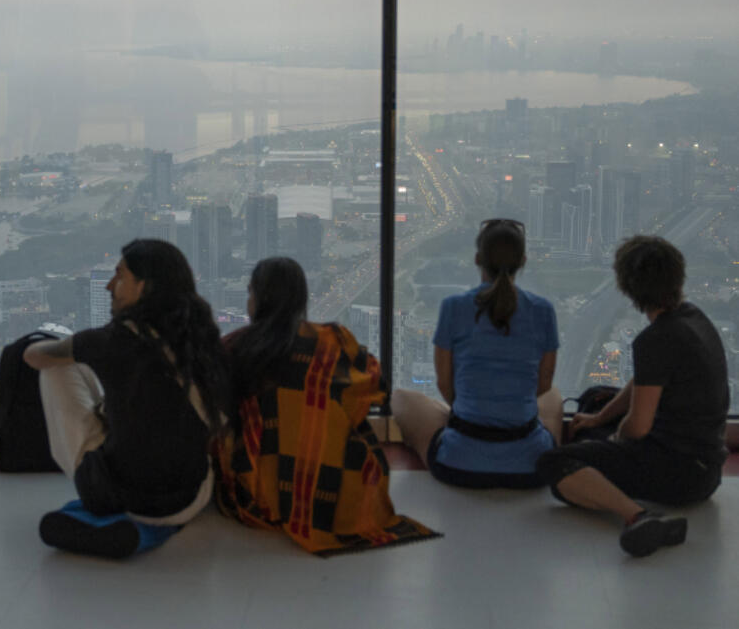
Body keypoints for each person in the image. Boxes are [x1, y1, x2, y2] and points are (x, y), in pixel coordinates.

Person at [215, 258, 439, 554]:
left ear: (258, 299)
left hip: (255, 499)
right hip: (340, 493)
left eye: (250, 293)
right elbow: (375, 390)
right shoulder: (335, 341)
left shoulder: (233, 347)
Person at [23, 239, 226, 558]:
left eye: (119, 276)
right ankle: (142, 531)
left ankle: (119, 526)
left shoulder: (109, 342)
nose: (109, 286)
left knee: (55, 371)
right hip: (191, 497)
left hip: (122, 497)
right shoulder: (204, 340)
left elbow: (33, 357)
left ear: (143, 286)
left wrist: (65, 348)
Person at [537, 236, 730, 557]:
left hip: (678, 475)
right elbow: (645, 381)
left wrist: (614, 439)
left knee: (553, 463)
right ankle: (606, 457)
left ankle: (639, 516)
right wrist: (601, 418)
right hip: (706, 467)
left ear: (629, 288)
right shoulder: (694, 317)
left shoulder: (655, 339)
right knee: (595, 402)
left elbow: (638, 428)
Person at [392, 218, 563, 489]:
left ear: (477, 259)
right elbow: (543, 385)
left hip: (458, 463)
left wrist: (475, 410)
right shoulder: (543, 310)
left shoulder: (454, 307)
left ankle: (465, 424)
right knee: (554, 397)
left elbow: (444, 383)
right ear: (523, 261)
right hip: (531, 468)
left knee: (401, 398)